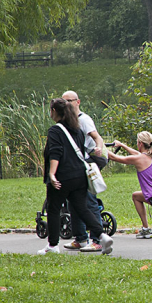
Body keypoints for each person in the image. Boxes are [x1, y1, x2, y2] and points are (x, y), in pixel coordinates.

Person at [39, 98, 113, 255]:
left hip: (62, 176)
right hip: (79, 176)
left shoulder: (55, 131)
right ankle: (102, 236)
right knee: (82, 208)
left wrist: (52, 174)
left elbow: (55, 153)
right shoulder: (77, 130)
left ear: (53, 111)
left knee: (53, 209)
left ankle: (52, 246)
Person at [61, 90, 108, 251]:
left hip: (87, 163)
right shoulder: (67, 121)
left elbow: (97, 137)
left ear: (78, 102)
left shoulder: (84, 120)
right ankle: (80, 238)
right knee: (73, 201)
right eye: (63, 101)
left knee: (89, 200)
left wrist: (99, 148)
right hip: (74, 165)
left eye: (69, 101)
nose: (66, 104)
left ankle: (97, 240)